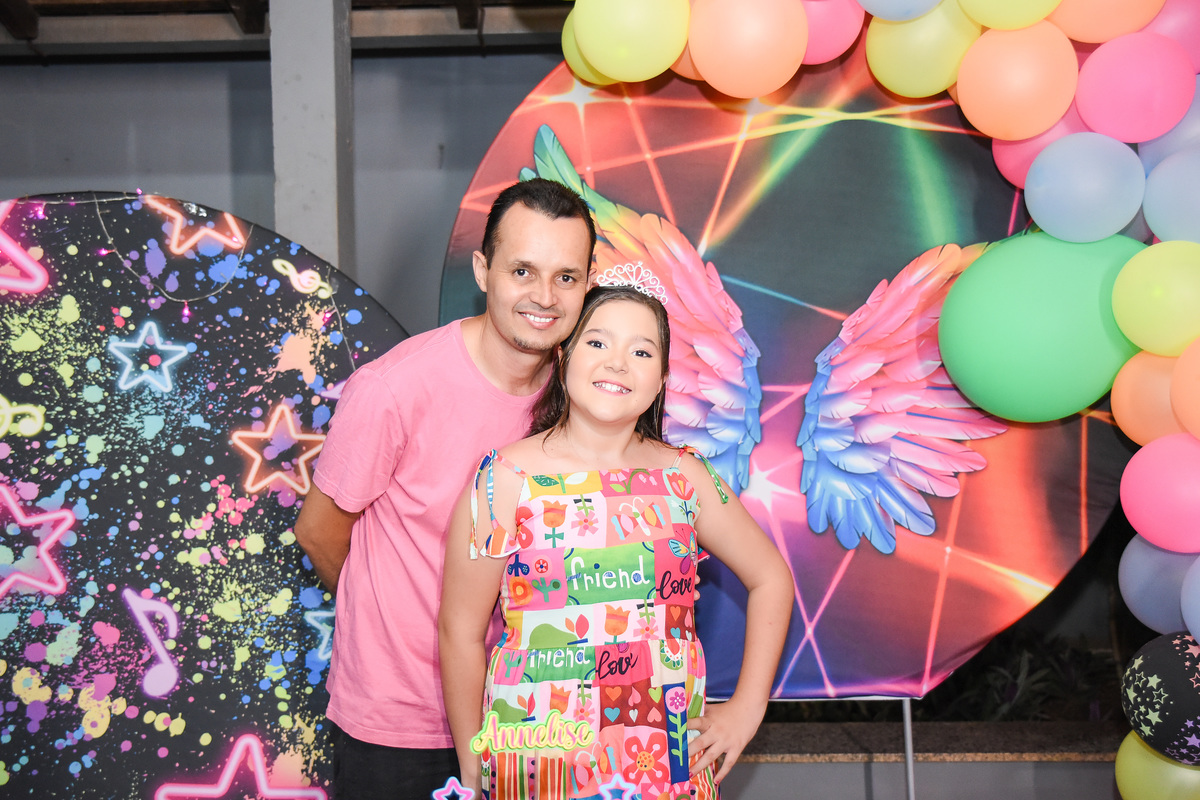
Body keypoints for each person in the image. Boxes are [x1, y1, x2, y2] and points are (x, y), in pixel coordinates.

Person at [294, 178, 597, 800]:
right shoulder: (395, 388)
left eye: (566, 277)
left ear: (588, 284)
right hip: (397, 725)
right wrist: (389, 621)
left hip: (531, 717)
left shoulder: (584, 397)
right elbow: (319, 532)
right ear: (483, 271)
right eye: (522, 271)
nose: (544, 297)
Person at [439, 284, 794, 799]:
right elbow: (460, 631)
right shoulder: (504, 478)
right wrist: (473, 768)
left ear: (662, 378)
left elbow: (771, 578)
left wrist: (747, 708)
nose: (618, 363)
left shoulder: (685, 476)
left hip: (664, 765)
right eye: (598, 342)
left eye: (642, 351)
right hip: (536, 765)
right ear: (564, 355)